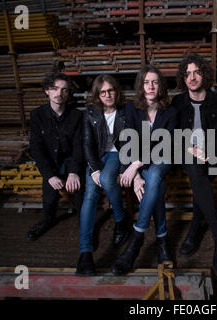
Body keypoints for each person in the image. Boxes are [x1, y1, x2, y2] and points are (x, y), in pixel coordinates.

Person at [111, 65, 178, 275]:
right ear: (140, 85)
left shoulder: (171, 111)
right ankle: (162, 238)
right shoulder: (131, 109)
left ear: (161, 86)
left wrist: (134, 166)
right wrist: (137, 176)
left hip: (164, 158)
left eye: (155, 82)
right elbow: (127, 143)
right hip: (143, 166)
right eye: (146, 82)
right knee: (155, 182)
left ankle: (136, 239)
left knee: (157, 173)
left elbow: (165, 145)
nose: (150, 86)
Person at [170, 53, 217, 277]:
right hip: (185, 155)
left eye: (196, 72)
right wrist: (191, 149)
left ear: (204, 74)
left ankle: (196, 227)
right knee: (196, 168)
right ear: (183, 79)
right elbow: (172, 137)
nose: (192, 77)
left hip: (214, 156)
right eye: (187, 74)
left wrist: (211, 152)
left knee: (201, 176)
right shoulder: (177, 103)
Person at [76, 75, 129, 276]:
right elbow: (87, 143)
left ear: (117, 91)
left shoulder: (126, 111)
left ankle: (120, 219)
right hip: (97, 158)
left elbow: (129, 142)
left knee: (107, 180)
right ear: (98, 94)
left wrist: (125, 168)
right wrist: (94, 168)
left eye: (111, 90)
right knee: (90, 193)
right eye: (103, 92)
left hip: (117, 155)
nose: (108, 95)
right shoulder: (90, 113)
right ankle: (85, 253)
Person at [28, 72, 84, 240]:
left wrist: (74, 172)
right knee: (50, 199)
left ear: (68, 94)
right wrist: (49, 175)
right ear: (47, 91)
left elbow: (79, 146)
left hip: (71, 161)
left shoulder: (77, 116)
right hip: (51, 164)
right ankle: (47, 220)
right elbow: (36, 148)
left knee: (81, 189)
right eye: (54, 89)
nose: (59, 94)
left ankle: (84, 224)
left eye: (64, 90)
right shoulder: (37, 115)